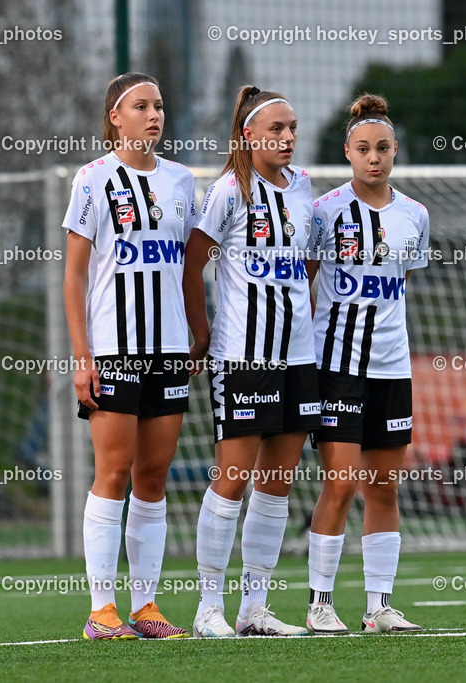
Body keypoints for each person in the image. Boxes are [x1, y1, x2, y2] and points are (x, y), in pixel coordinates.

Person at [63, 72, 198, 640]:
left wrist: (197, 329)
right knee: (112, 471)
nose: (154, 115)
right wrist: (81, 356)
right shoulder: (93, 180)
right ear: (115, 117)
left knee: (153, 476)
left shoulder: (182, 181)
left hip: (168, 349)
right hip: (114, 349)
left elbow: (190, 265)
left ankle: (146, 607)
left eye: (159, 105)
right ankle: (101, 609)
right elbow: (73, 274)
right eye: (141, 106)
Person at [183, 85, 319, 637]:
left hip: (298, 357)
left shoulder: (305, 186)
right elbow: (192, 266)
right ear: (249, 134)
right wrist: (202, 331)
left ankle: (254, 609)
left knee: (277, 482)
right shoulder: (228, 193)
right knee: (233, 476)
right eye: (276, 130)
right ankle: (207, 609)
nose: (287, 138)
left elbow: (308, 263)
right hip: (243, 356)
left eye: (292, 129)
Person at [304, 94, 429, 634]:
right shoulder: (325, 212)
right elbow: (303, 284)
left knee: (383, 487)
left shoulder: (415, 216)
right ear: (348, 153)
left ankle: (379, 606)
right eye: (363, 149)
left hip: (392, 368)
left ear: (395, 151)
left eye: (382, 148)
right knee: (342, 483)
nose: (374, 157)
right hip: (337, 366)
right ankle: (319, 604)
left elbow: (397, 287)